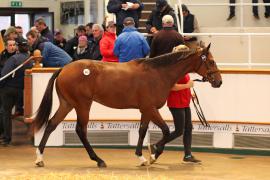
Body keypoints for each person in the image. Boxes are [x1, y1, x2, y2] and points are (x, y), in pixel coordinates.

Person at [148, 15, 200, 163]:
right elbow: (172, 87)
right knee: (179, 130)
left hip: (184, 99)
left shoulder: (181, 68)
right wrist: (187, 86)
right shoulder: (173, 71)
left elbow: (152, 56)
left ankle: (188, 155)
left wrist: (190, 93)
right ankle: (157, 145)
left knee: (188, 128)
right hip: (176, 101)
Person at [0, 39, 33, 146]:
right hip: (20, 90)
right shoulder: (30, 60)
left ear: (18, 47)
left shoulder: (14, 59)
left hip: (8, 89)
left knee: (5, 113)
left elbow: (4, 75)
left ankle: (6, 138)